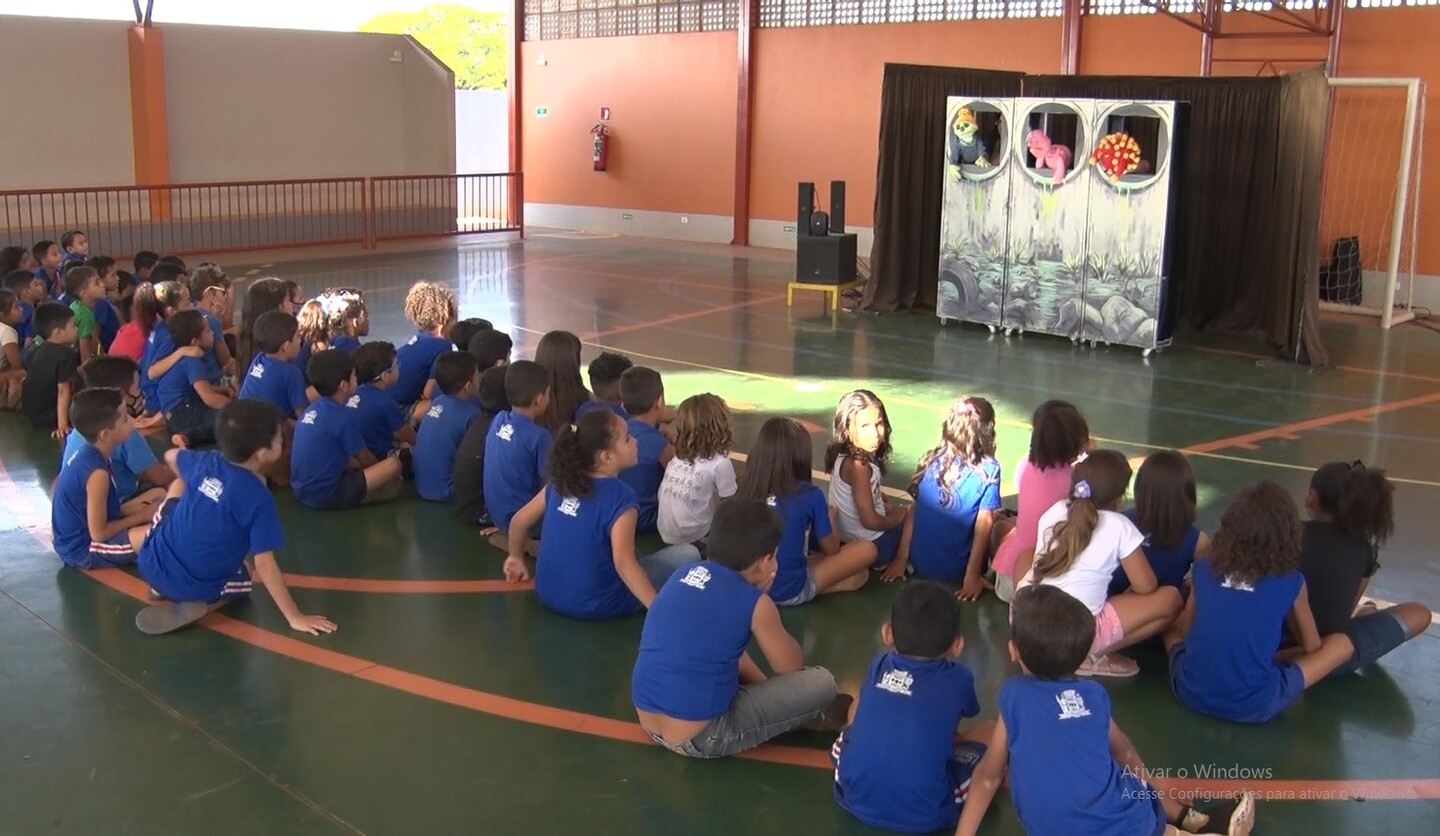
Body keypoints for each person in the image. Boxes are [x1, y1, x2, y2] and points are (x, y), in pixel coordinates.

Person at [958, 585, 1257, 836]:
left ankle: (1186, 821)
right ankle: (1187, 823)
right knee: (1124, 784)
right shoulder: (1093, 695)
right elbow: (1124, 752)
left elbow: (988, 776)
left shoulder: (1013, 696)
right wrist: (1151, 790)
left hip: (1048, 828)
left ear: (1013, 651)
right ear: (1082, 658)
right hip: (1124, 823)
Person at [630, 496, 847, 758]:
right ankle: (794, 714)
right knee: (822, 683)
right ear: (764, 562)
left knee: (720, 647)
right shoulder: (756, 603)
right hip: (701, 736)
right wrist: (764, 602)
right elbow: (790, 667)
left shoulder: (684, 573)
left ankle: (773, 704)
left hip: (647, 718)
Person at [134, 399, 338, 637]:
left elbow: (170, 455)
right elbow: (265, 564)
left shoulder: (205, 460)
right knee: (246, 575)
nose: (283, 442)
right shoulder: (257, 497)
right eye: (279, 439)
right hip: (192, 584)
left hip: (149, 561)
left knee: (180, 484)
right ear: (262, 454)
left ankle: (161, 587)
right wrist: (295, 617)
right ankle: (200, 601)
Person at [1164, 481, 1354, 723]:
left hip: (1190, 692)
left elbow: (1185, 632)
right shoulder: (1291, 581)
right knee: (1342, 644)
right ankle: (1258, 663)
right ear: (1287, 535)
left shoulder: (1204, 567)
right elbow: (1312, 646)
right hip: (1254, 704)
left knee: (1171, 632)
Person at [502, 409, 699, 619]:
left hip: (548, 593)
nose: (635, 441)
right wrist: (658, 610)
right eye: (627, 439)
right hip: (597, 604)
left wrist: (515, 557)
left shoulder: (559, 481)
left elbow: (519, 521)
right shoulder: (622, 497)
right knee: (688, 554)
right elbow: (624, 564)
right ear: (606, 457)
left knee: (626, 550)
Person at [832, 581, 992, 833]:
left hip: (851, 795)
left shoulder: (879, 663)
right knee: (990, 731)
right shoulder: (959, 678)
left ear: (887, 633)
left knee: (857, 709)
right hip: (928, 811)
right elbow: (953, 730)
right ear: (957, 646)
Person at [1017, 450, 1182, 678]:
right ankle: (1085, 656)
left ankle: (1032, 647)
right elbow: (1146, 586)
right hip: (1068, 634)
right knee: (1171, 599)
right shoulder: (1119, 525)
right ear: (1119, 497)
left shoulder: (1055, 509)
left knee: (1027, 557)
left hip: (1025, 619)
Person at [1298, 460, 1431, 677]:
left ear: (1311, 497)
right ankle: (1364, 618)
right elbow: (1344, 613)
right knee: (1419, 613)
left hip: (1276, 651)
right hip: (1330, 658)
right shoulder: (1364, 550)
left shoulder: (1287, 536)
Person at [895, 396, 1002, 596]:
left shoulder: (932, 458)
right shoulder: (989, 469)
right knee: (999, 521)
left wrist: (900, 558)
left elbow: (914, 512)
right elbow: (984, 523)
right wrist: (971, 575)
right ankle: (979, 573)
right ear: (988, 431)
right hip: (956, 571)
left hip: (919, 565)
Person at [50, 388, 163, 569]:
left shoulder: (93, 452)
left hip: (88, 529)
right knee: (161, 533)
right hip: (83, 549)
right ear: (105, 434)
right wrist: (143, 515)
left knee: (160, 496)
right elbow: (99, 534)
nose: (133, 423)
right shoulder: (97, 473)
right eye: (125, 419)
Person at [992, 400, 1091, 602]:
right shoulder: (1078, 480)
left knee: (1005, 525)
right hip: (1052, 586)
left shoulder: (1026, 466)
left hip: (1010, 581)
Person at [290, 349, 403, 510]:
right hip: (326, 495)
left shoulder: (312, 409)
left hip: (301, 490)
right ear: (344, 385)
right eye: (354, 376)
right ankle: (363, 497)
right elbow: (365, 458)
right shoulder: (342, 417)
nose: (357, 380)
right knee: (393, 467)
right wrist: (381, 474)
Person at [657, 393, 736, 548]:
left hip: (665, 532)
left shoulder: (678, 455)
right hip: (694, 537)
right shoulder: (720, 461)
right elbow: (729, 505)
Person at [413, 352, 482, 502]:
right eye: (477, 375)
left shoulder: (437, 402)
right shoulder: (472, 414)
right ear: (468, 386)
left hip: (422, 486)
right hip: (449, 492)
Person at [19, 302, 80, 437]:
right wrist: (62, 425)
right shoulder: (66, 353)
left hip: (30, 413)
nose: (77, 329)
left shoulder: (33, 349)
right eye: (73, 325)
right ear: (58, 332)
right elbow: (63, 390)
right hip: (51, 416)